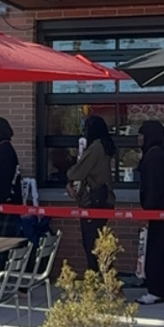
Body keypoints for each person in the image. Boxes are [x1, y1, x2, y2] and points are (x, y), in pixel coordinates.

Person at [68, 113, 115, 268]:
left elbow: (77, 172)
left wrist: (70, 170)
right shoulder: (106, 146)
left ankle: (95, 281)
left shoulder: (96, 147)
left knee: (91, 245)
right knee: (100, 244)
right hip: (105, 199)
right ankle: (103, 277)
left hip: (93, 202)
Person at [137, 119, 164, 304]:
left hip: (158, 209)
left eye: (141, 134)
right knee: (163, 250)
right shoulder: (159, 153)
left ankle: (156, 289)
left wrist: (148, 211)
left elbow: (153, 186)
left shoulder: (153, 156)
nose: (139, 138)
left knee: (155, 250)